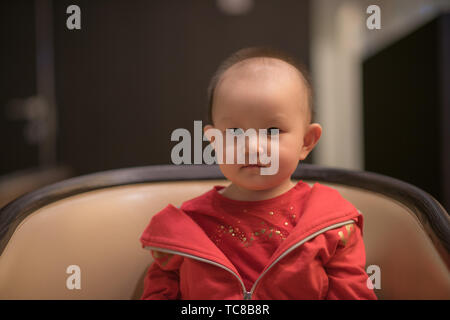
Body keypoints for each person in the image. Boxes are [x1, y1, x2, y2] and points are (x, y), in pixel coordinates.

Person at [140, 47, 378, 300]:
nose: (252, 147)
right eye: (234, 132)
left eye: (272, 131)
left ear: (306, 141)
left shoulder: (332, 224)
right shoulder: (187, 226)